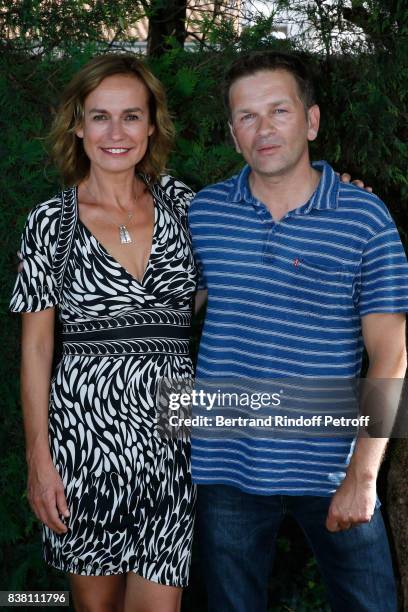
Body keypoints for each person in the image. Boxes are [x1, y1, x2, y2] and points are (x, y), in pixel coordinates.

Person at [188, 51, 408, 611]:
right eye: (246, 116)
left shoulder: (364, 218)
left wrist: (363, 476)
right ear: (233, 133)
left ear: (310, 121)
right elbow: (156, 300)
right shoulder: (202, 215)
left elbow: (391, 355)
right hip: (224, 461)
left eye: (279, 110)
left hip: (331, 462)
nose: (263, 129)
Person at [10, 54, 197, 612]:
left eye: (131, 116)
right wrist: (39, 463)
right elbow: (37, 347)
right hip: (83, 451)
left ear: (152, 124)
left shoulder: (188, 207)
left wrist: (333, 195)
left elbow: (254, 250)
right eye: (100, 117)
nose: (116, 133)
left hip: (174, 449)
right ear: (77, 124)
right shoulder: (50, 223)